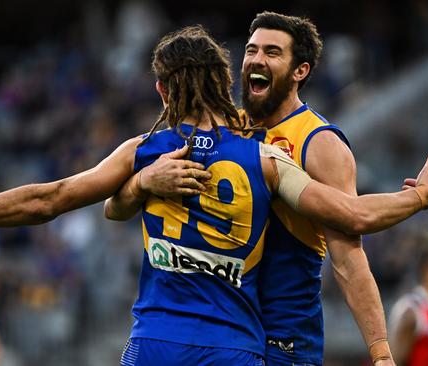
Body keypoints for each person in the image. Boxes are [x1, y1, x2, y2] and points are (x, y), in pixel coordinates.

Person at [0, 26, 428, 365]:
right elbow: (352, 215)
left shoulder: (144, 152)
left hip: (157, 340)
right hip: (236, 347)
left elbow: (47, 200)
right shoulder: (268, 157)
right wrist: (417, 200)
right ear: (220, 80)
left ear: (161, 88)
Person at [106, 11, 407, 366]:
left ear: (300, 71)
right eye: (251, 50)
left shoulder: (320, 143)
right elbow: (116, 205)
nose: (256, 60)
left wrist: (381, 351)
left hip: (286, 340)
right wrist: (141, 182)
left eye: (272, 52)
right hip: (231, 336)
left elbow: (348, 256)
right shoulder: (229, 131)